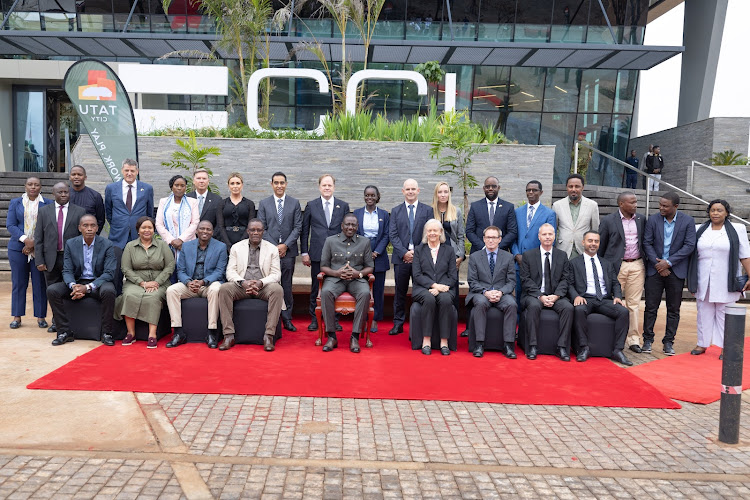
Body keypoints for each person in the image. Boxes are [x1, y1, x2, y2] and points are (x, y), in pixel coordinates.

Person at [687, 200, 750, 358]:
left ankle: (725, 346)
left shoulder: (737, 229)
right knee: (703, 312)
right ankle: (702, 343)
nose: (715, 213)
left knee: (725, 314)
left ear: (727, 213)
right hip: (703, 278)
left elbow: (745, 255)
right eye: (713, 210)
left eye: (719, 210)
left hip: (726, 279)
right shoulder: (699, 229)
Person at [46, 215, 117, 346]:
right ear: (79, 228)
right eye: (85, 225)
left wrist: (88, 287)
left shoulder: (107, 244)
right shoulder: (71, 244)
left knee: (109, 291)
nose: (89, 229)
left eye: (92, 225)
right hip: (78, 282)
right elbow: (67, 270)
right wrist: (74, 286)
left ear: (97, 228)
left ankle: (106, 332)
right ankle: (64, 331)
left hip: (98, 283)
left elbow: (109, 273)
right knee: (52, 290)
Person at [643, 192, 696, 356]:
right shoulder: (653, 219)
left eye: (665, 206)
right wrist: (659, 264)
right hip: (655, 269)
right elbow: (647, 243)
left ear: (676, 206)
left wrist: (669, 262)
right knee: (651, 307)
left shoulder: (688, 221)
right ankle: (647, 340)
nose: (661, 208)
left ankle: (668, 342)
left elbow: (689, 245)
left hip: (676, 271)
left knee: (674, 309)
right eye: (660, 204)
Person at [567, 231, 633, 366]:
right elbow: (569, 283)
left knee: (623, 312)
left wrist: (618, 297)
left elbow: (615, 282)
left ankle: (618, 350)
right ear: (583, 242)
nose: (593, 244)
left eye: (596, 241)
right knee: (579, 310)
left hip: (604, 299)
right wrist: (576, 296)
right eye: (590, 241)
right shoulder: (574, 263)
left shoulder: (606, 263)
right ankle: (583, 348)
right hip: (585, 298)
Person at [218, 219, 284, 351]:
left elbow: (276, 274)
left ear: (263, 232)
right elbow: (230, 271)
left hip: (263, 286)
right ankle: (229, 335)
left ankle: (269, 335)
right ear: (247, 231)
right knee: (224, 288)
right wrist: (243, 282)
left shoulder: (272, 249)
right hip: (242, 286)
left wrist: (261, 282)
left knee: (277, 289)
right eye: (252, 230)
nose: (255, 233)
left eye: (259, 230)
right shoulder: (237, 247)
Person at [114, 216, 176, 348]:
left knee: (153, 297)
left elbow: (170, 265)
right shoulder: (130, 246)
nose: (146, 230)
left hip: (159, 282)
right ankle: (131, 333)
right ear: (138, 230)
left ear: (154, 230)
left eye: (150, 227)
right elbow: (125, 268)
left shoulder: (162, 245)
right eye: (144, 227)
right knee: (129, 295)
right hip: (135, 282)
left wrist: (157, 282)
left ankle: (152, 334)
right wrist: (142, 283)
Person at [165, 220, 227, 349]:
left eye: (208, 229)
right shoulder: (186, 246)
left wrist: (203, 282)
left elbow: (220, 271)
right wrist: (188, 282)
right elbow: (180, 270)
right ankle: (178, 332)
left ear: (212, 232)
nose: (205, 231)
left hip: (208, 284)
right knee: (171, 290)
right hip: (190, 284)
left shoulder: (220, 247)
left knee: (217, 289)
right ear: (196, 231)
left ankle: (211, 333)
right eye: (202, 229)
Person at [34, 182, 86, 333]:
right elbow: (39, 237)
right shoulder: (44, 211)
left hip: (71, 259)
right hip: (50, 259)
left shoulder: (79, 211)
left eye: (66, 192)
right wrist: (40, 260)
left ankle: (70, 321)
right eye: (60, 192)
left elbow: (82, 237)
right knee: (52, 291)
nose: (63, 195)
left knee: (70, 290)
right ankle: (56, 321)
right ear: (53, 194)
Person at [319, 213, 375, 353]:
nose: (350, 227)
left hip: (356, 279)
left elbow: (370, 266)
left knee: (365, 293)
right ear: (342, 226)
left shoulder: (364, 242)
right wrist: (336, 273)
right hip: (335, 279)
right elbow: (323, 266)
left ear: (357, 227)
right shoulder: (330, 241)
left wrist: (359, 274)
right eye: (347, 224)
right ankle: (332, 336)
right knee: (325, 292)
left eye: (353, 225)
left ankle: (354, 337)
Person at [598, 192, 646, 352]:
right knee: (612, 302)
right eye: (632, 202)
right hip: (616, 267)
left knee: (633, 304)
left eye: (636, 202)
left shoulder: (641, 220)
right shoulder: (608, 221)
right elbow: (601, 247)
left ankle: (633, 340)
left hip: (637, 265)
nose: (635, 205)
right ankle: (610, 337)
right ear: (621, 204)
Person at [301, 174, 350, 332]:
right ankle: (315, 319)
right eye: (324, 185)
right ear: (319, 187)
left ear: (334, 187)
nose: (327, 188)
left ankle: (334, 320)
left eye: (330, 185)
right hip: (316, 253)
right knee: (317, 287)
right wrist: (304, 252)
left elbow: (348, 231)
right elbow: (304, 231)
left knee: (336, 286)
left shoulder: (343, 206)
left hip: (338, 255)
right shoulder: (311, 205)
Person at [520, 223, 574, 361]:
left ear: (554, 236)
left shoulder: (562, 255)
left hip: (556, 295)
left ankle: (561, 347)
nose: (547, 237)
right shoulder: (528, 255)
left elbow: (565, 279)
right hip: (534, 295)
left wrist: (556, 296)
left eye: (550, 234)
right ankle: (532, 345)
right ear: (539, 237)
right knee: (533, 306)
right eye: (544, 234)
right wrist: (541, 296)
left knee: (568, 308)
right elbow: (525, 280)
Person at [258, 171, 303, 332]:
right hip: (269, 252)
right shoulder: (264, 203)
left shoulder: (294, 203)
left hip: (288, 252)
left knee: (286, 286)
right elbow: (262, 227)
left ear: (286, 184)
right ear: (271, 184)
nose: (279, 185)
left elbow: (298, 227)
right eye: (276, 183)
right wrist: (274, 248)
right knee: (270, 284)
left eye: (282, 182)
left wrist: (285, 245)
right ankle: (272, 318)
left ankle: (287, 318)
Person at [388, 178, 432, 335]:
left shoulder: (427, 210)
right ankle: (398, 323)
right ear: (403, 191)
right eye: (408, 189)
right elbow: (392, 235)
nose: (411, 191)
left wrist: (416, 253)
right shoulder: (395, 211)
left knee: (420, 291)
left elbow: (429, 234)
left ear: (418, 190)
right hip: (401, 259)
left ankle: (418, 324)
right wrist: (404, 253)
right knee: (400, 292)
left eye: (413, 189)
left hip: (421, 260)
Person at [6, 177, 51, 329]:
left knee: (39, 284)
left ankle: (41, 317)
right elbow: (10, 225)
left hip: (39, 250)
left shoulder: (48, 203)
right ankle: (17, 316)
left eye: (36, 184)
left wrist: (34, 245)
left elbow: (48, 227)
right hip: (17, 248)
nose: (33, 187)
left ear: (40, 187)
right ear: (25, 186)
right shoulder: (15, 203)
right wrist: (26, 240)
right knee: (19, 282)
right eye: (30, 184)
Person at [466, 225, 517, 359]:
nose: (491, 240)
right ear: (483, 239)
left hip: (502, 293)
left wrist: (500, 292)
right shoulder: (475, 257)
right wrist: (485, 292)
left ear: (500, 239)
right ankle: (479, 343)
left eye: (494, 237)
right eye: (488, 237)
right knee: (481, 303)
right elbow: (472, 281)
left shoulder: (508, 257)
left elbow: (511, 281)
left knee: (511, 304)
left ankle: (508, 345)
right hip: (481, 293)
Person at [412, 219, 458, 355]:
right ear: (426, 233)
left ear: (440, 232)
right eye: (429, 230)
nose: (432, 233)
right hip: (422, 288)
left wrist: (440, 288)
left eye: (435, 230)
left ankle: (444, 342)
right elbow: (417, 275)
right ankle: (426, 340)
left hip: (445, 288)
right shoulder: (419, 250)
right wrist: (433, 285)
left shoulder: (449, 250)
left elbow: (453, 276)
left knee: (445, 300)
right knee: (429, 299)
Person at [512, 180, 557, 309]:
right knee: (519, 298)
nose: (530, 192)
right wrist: (516, 254)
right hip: (519, 262)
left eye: (534, 190)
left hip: (538, 263)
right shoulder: (517, 212)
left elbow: (549, 239)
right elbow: (513, 237)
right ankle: (519, 327)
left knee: (534, 297)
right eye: (528, 190)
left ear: (541, 192)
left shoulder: (549, 214)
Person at [354, 185, 390, 333]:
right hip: (360, 254)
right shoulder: (356, 213)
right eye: (367, 195)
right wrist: (364, 252)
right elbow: (353, 233)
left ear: (377, 197)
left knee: (377, 288)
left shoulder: (384, 214)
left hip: (379, 254)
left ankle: (375, 318)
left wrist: (376, 252)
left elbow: (387, 234)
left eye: (372, 195)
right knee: (361, 287)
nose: (369, 198)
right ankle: (362, 317)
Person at [104, 159, 155, 249]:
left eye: (132, 171)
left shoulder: (147, 189)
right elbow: (108, 211)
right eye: (126, 170)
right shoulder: (111, 188)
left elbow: (149, 213)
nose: (129, 173)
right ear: (122, 171)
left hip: (139, 235)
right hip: (118, 235)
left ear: (137, 172)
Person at [465, 176, 517, 254]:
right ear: (483, 188)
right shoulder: (475, 206)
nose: (490, 189)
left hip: (501, 252)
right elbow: (469, 231)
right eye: (487, 186)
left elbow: (512, 231)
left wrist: (497, 246)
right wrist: (483, 247)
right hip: (479, 252)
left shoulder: (508, 207)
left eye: (493, 186)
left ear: (498, 187)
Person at [552, 174, 599, 259]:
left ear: (582, 187)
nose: (573, 189)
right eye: (571, 186)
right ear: (566, 187)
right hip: (563, 249)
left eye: (577, 186)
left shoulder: (592, 205)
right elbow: (553, 229)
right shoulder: (557, 205)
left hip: (583, 250)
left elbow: (595, 230)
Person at [155, 174, 200, 264]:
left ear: (185, 188)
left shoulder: (192, 202)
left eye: (182, 186)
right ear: (172, 187)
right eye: (176, 185)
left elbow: (195, 223)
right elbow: (159, 224)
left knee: (187, 270)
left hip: (187, 243)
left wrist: (181, 240)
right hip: (168, 244)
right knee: (170, 270)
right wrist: (172, 240)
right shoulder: (163, 202)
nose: (179, 188)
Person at [216, 172, 256, 249]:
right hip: (225, 240)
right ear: (228, 186)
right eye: (232, 183)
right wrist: (227, 245)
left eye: (238, 183)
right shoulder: (222, 204)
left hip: (245, 241)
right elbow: (220, 226)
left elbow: (250, 225)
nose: (235, 186)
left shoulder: (249, 204)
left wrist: (241, 244)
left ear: (242, 185)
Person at [68, 165, 105, 233]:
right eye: (73, 174)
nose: (76, 177)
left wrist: (93, 236)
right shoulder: (65, 195)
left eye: (79, 174)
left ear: (85, 177)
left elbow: (100, 220)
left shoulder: (95, 196)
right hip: (68, 237)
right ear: (70, 177)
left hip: (89, 237)